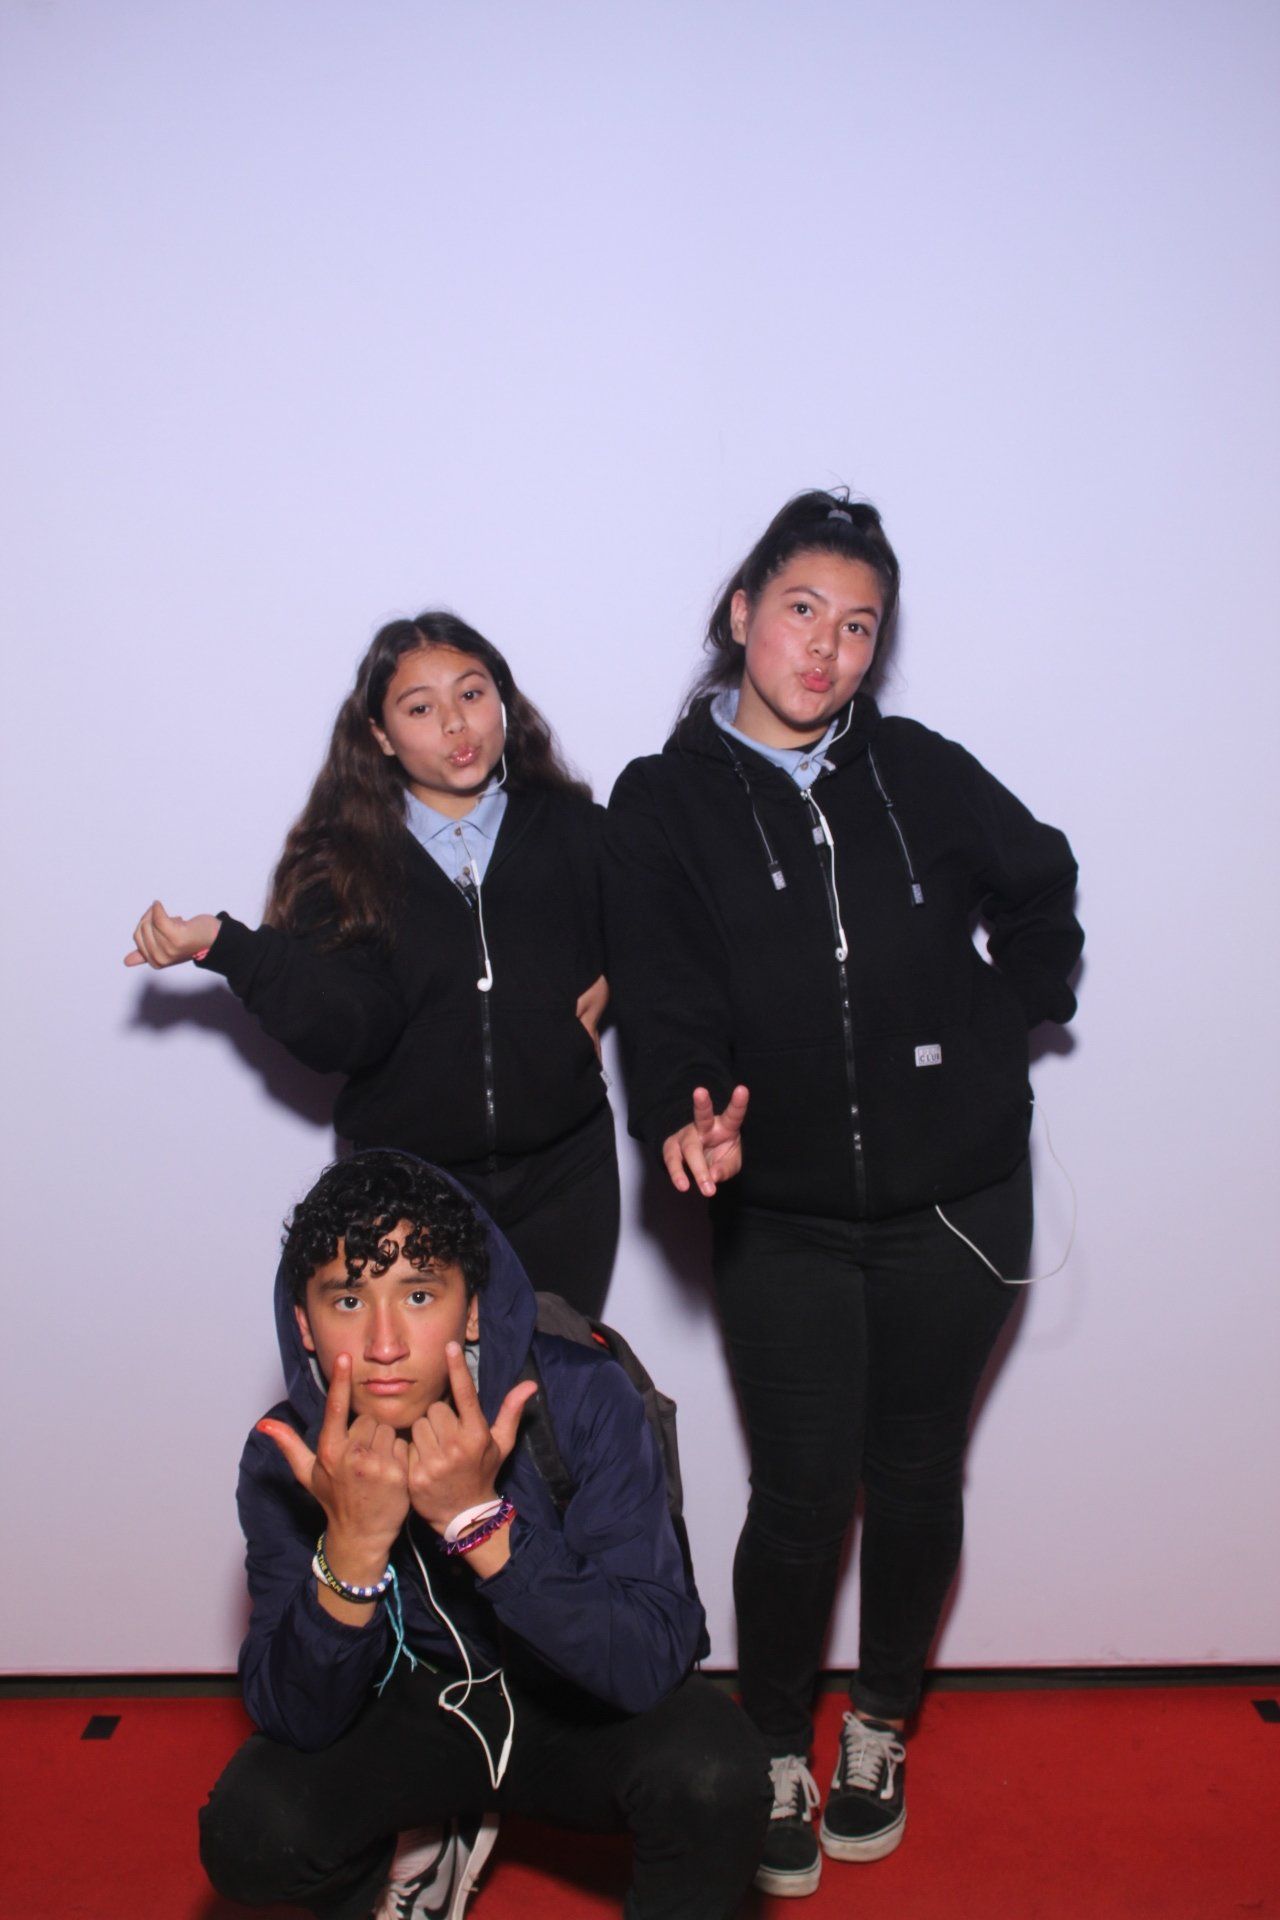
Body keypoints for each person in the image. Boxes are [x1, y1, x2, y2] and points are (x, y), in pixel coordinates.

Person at [604, 491, 1083, 1898]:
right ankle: (771, 1743)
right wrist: (684, 1111)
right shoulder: (664, 800)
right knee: (804, 1492)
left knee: (920, 1471)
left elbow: (1041, 875)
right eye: (802, 610)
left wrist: (1007, 1011)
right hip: (786, 1208)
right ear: (741, 613)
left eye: (858, 626)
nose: (824, 648)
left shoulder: (915, 770)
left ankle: (878, 1723)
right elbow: (664, 991)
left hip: (958, 1201)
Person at [199, 1149, 770, 1920]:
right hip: (409, 1710)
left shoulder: (577, 1395)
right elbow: (294, 1716)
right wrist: (352, 1555)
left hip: (570, 1700)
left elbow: (649, 1660)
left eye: (419, 1294)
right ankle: (414, 1851)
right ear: (304, 1325)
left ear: (471, 1308)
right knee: (250, 1831)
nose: (386, 1342)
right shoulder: (287, 1457)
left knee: (717, 1774)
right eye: (349, 1301)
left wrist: (481, 1525)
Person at [125, 612, 617, 1315]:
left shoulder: (577, 831)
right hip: (409, 1189)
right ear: (380, 736)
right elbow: (345, 1030)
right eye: (420, 708)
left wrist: (617, 978)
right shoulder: (344, 863)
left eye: (471, 694)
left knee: (559, 1377)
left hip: (567, 1179)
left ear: (502, 701)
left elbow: (668, 934)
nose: (455, 723)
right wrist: (223, 943)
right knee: (425, 1383)